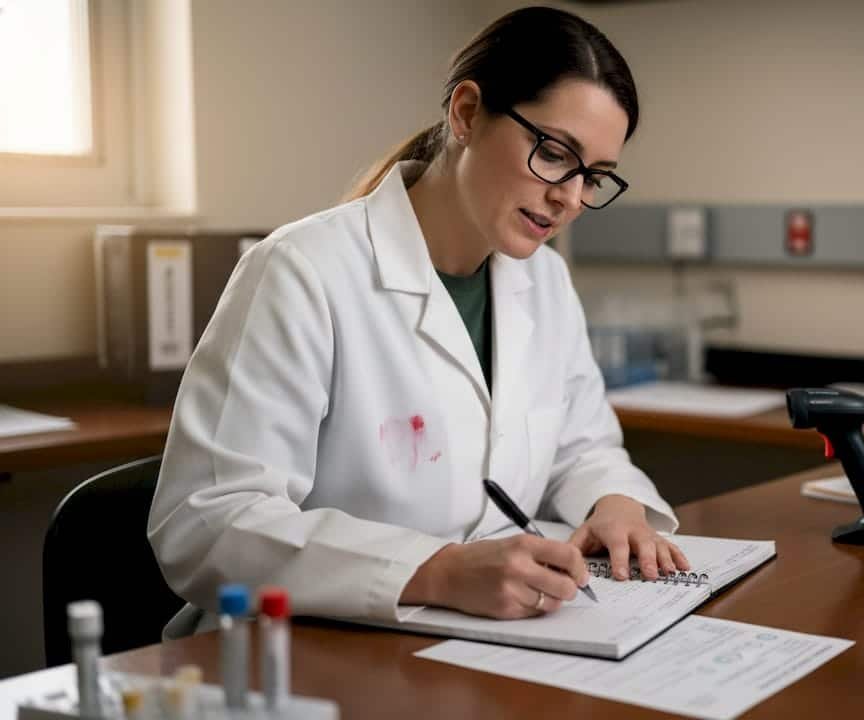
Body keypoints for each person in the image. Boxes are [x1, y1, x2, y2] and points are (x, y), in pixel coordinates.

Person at [148, 6, 689, 637]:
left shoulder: (542, 280)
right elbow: (207, 520)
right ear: (465, 114)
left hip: (478, 644)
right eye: (553, 153)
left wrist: (613, 500)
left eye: (594, 176)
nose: (569, 197)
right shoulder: (302, 270)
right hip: (307, 649)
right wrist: (439, 571)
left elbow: (583, 446)